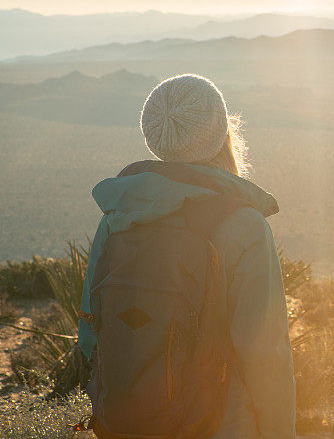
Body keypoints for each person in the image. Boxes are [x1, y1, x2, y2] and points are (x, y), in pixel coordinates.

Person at [77, 74, 295, 438]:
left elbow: (89, 334)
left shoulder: (120, 214)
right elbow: (265, 353)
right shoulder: (244, 224)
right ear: (221, 133)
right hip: (221, 424)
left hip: (128, 421)